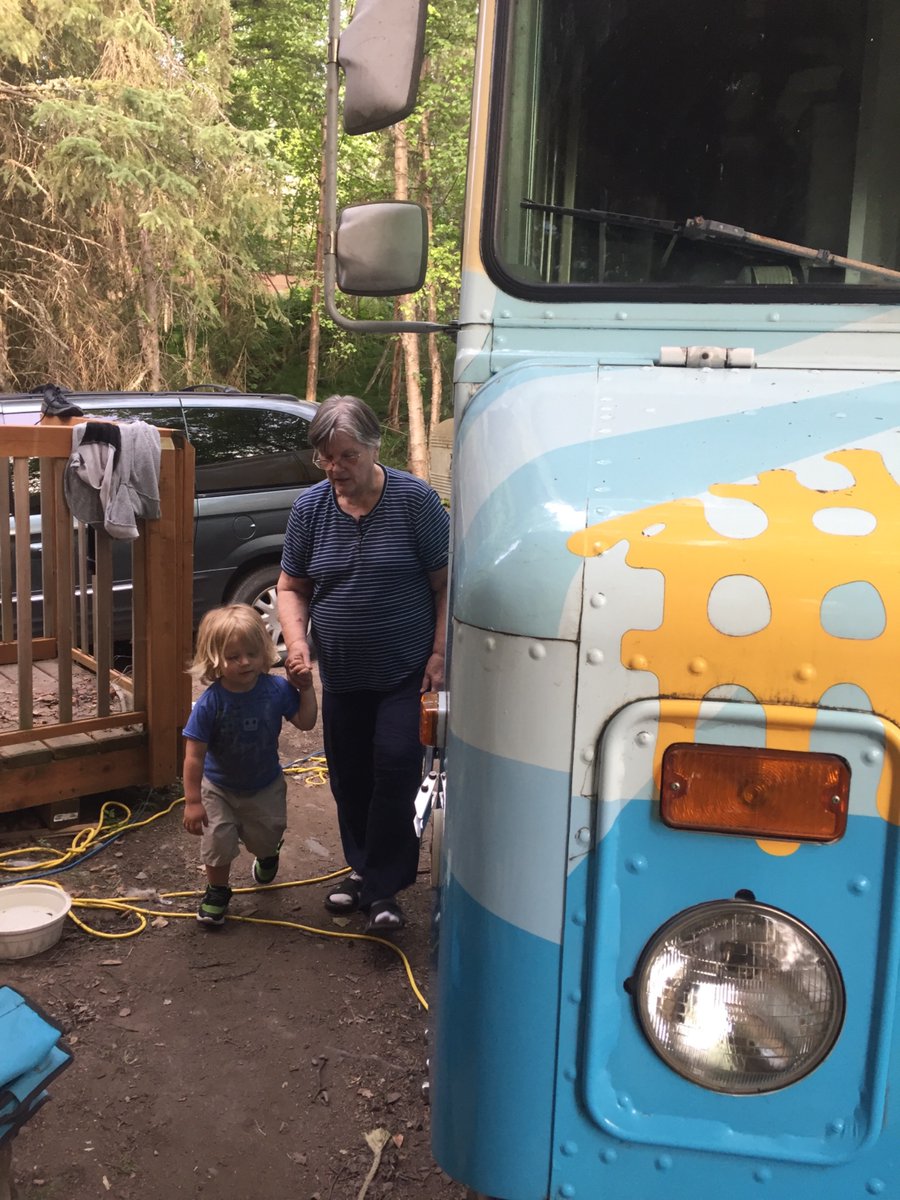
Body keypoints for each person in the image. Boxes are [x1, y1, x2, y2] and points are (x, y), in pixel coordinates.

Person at [277, 395, 449, 932]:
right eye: (325, 457)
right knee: (350, 777)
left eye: (346, 456)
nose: (334, 469)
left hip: (405, 669)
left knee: (395, 769)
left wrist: (441, 652)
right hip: (342, 673)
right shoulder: (310, 509)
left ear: (374, 448)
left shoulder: (415, 501)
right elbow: (291, 586)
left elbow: (445, 584)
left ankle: (383, 890)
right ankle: (362, 868)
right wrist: (297, 642)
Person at [182, 603, 318, 927]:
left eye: (252, 654)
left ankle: (268, 854)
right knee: (217, 842)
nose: (244, 662)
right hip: (219, 788)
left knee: (265, 837)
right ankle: (217, 891)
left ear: (264, 651)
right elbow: (194, 755)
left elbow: (306, 722)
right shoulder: (210, 703)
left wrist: (306, 689)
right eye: (233, 656)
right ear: (215, 659)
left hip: (264, 785)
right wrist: (193, 801)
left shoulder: (276, 690)